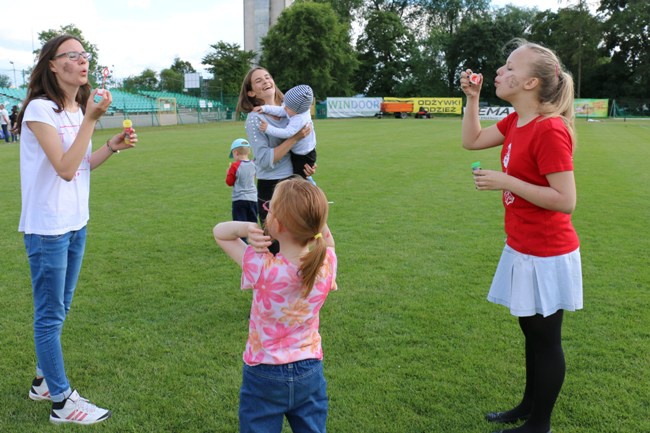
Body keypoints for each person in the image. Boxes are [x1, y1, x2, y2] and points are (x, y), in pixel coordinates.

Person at [460, 39, 582, 433]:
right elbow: (472, 141)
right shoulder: (516, 121)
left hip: (548, 252)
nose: (500, 72)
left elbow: (565, 200)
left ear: (531, 83)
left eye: (510, 67)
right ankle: (529, 405)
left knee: (546, 339)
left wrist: (506, 181)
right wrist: (473, 98)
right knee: (530, 331)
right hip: (522, 246)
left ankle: (539, 424)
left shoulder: (550, 130)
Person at [16, 34, 137, 425]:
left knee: (60, 308)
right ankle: (62, 402)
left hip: (75, 223)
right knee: (50, 315)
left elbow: (81, 163)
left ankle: (42, 382)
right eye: (72, 56)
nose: (82, 62)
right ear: (53, 65)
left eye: (85, 55)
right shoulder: (39, 110)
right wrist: (90, 120)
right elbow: (64, 169)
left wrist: (111, 146)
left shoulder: (75, 107)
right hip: (48, 228)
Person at [213, 177, 337, 433]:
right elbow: (327, 239)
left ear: (276, 224)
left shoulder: (262, 265)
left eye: (269, 209)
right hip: (310, 369)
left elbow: (220, 233)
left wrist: (248, 228)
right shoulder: (326, 261)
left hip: (263, 372)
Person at [235, 67, 315, 230]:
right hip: (272, 188)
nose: (265, 81)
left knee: (300, 241)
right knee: (275, 246)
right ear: (251, 93)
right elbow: (263, 161)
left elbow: (304, 144)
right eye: (258, 81)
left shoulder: (291, 109)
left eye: (267, 77)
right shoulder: (255, 119)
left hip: (294, 182)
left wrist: (308, 164)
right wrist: (294, 138)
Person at [253, 84, 317, 181]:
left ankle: (311, 187)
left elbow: (286, 133)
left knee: (298, 180)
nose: (284, 108)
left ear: (297, 111)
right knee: (297, 179)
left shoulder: (300, 119)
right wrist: (264, 108)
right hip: (298, 152)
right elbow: (281, 110)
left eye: (287, 107)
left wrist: (268, 128)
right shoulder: (295, 110)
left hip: (304, 156)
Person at [226, 138, 258, 226]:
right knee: (252, 224)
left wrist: (229, 173)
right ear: (249, 152)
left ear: (236, 152)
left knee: (240, 225)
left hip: (239, 199)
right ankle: (253, 239)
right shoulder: (254, 164)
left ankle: (243, 240)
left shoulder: (235, 166)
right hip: (253, 198)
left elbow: (229, 182)